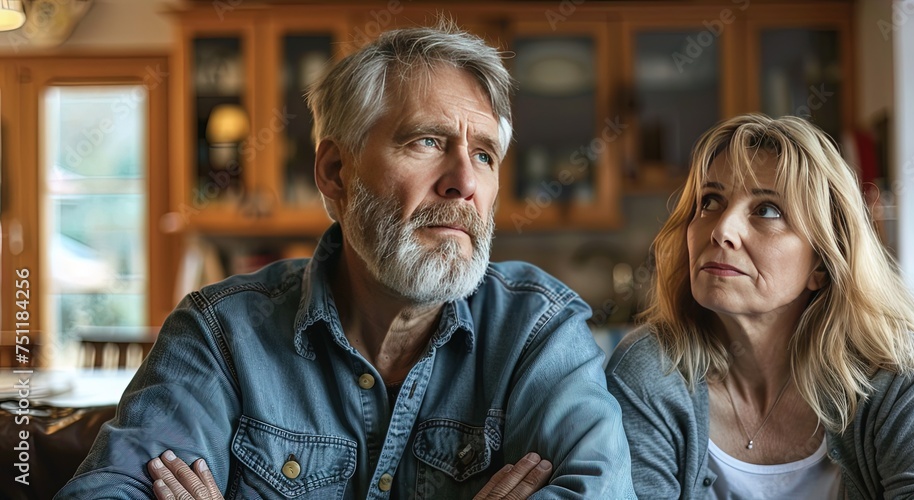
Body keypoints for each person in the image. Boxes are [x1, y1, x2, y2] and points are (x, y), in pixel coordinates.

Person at [57, 20, 635, 499]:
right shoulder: (221, 335)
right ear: (336, 172)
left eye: (484, 155)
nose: (464, 182)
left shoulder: (536, 331)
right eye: (428, 141)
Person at [605, 114, 914, 499]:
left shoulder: (896, 369)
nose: (722, 229)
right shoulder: (649, 373)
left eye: (767, 210)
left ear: (822, 264)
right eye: (711, 201)